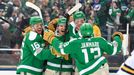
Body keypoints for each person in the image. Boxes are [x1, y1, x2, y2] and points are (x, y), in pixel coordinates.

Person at [43, 23, 123, 75]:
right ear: (92, 32)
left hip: (84, 72)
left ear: (81, 32)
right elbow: (114, 49)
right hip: (101, 70)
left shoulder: (76, 42)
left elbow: (61, 48)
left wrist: (51, 38)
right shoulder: (99, 40)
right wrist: (117, 37)